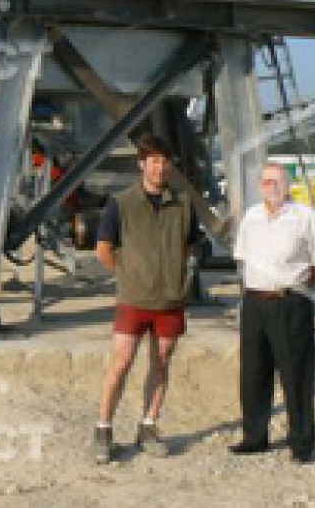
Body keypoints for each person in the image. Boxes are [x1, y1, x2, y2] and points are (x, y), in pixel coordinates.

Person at [93, 135, 202, 464]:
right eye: (154, 161)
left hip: (170, 300)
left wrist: (181, 274)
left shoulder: (182, 204)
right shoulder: (121, 203)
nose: (160, 167)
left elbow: (191, 245)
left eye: (165, 161)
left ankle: (149, 426)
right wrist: (128, 277)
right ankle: (103, 429)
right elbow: (103, 250)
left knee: (162, 362)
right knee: (121, 362)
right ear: (142, 164)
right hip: (134, 299)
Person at [230, 162, 315, 463]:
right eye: (265, 182)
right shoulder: (251, 217)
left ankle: (301, 444)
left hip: (290, 303)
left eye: (275, 181)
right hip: (254, 303)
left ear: (287, 186)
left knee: (295, 374)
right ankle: (254, 437)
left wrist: (295, 288)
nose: (270, 187)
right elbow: (242, 258)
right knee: (253, 373)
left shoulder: (305, 218)